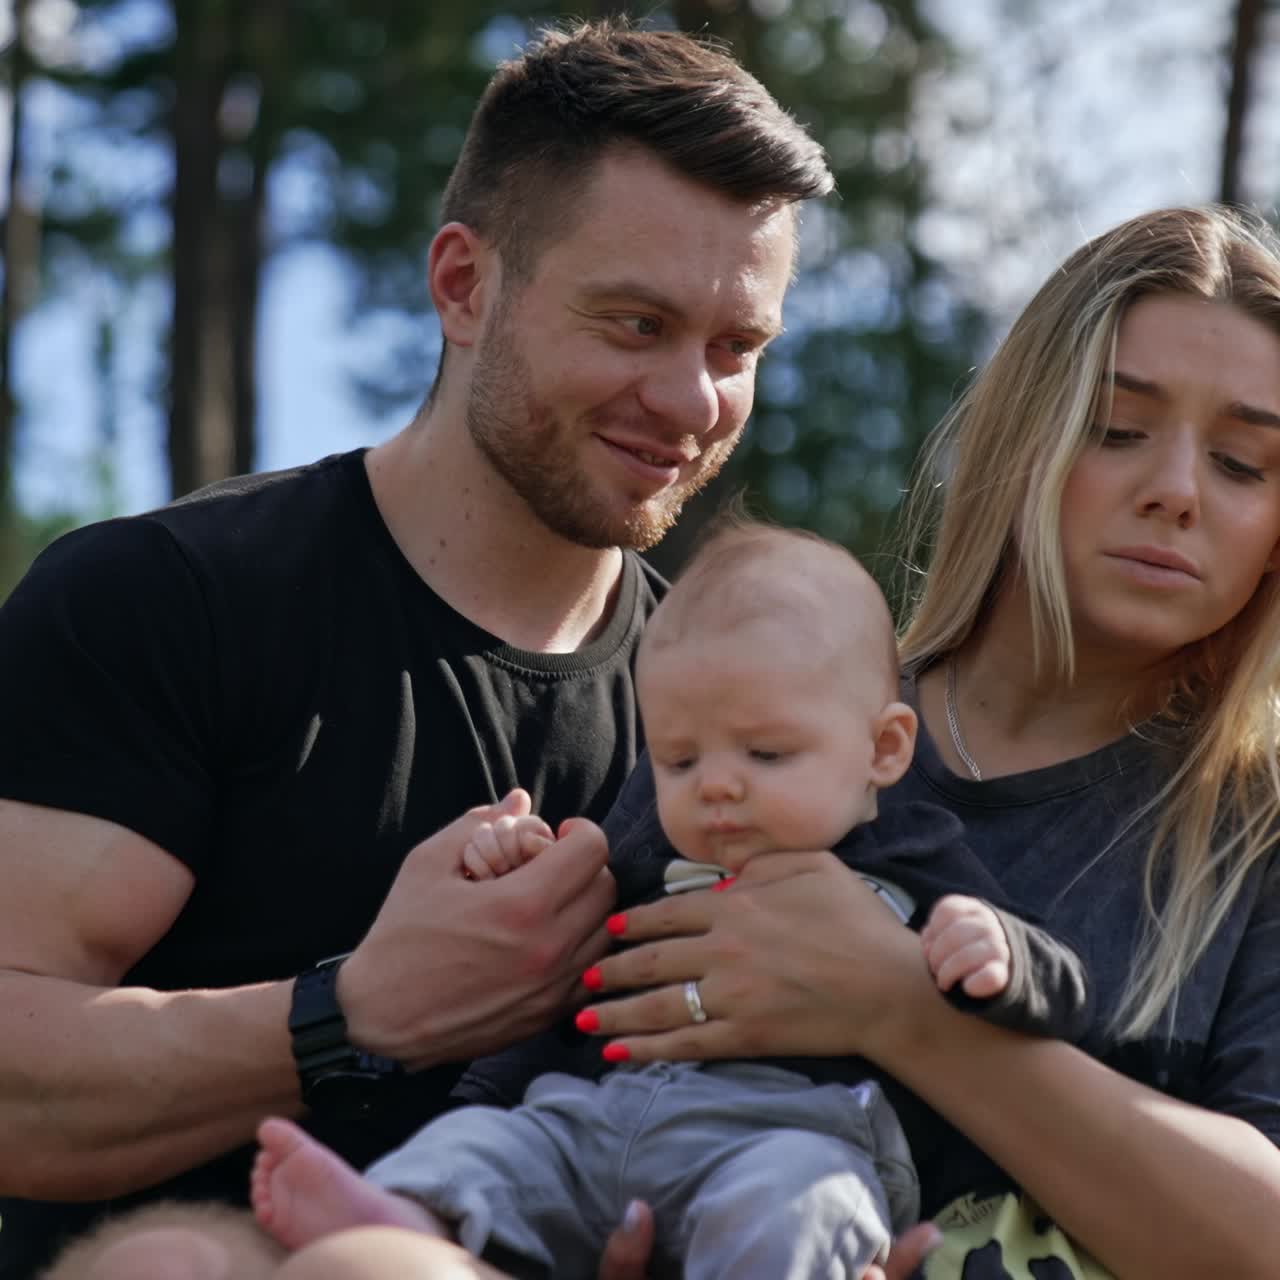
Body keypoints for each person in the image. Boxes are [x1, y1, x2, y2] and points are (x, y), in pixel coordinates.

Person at [0, 18, 835, 1280]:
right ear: (463, 285)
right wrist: (350, 1015)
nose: (688, 401)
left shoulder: (743, 709)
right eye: (632, 323)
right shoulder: (165, 599)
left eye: (736, 348)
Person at [563, 204, 1280, 1279]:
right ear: (1021, 433)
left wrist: (901, 1008)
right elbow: (561, 1071)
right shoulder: (771, 710)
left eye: (1240, 462)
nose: (1174, 490)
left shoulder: (1255, 833)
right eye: (1117, 429)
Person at [241, 521, 1093, 1279]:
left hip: (790, 1133)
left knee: (799, 1209)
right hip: (605, 1125)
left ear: (883, 748)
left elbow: (1062, 988)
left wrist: (996, 951)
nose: (717, 787)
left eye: (764, 753)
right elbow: (563, 969)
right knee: (493, 1147)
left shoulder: (911, 856)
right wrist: (519, 860)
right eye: (680, 760)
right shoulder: (656, 851)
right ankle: (410, 1214)